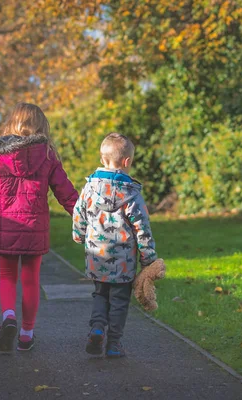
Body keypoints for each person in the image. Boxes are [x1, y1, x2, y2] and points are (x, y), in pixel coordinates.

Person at [0, 102, 78, 353]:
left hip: (5, 227)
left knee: (7, 277)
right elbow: (65, 192)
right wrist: (82, 217)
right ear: (41, 126)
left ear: (11, 124)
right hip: (34, 229)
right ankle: (26, 334)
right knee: (31, 280)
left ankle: (8, 316)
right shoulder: (47, 155)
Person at [72, 132, 158, 358]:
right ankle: (114, 344)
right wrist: (148, 257)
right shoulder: (131, 193)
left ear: (102, 159)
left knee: (100, 294)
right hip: (123, 261)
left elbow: (78, 213)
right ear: (127, 162)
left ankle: (97, 328)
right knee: (119, 300)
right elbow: (142, 227)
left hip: (96, 255)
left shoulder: (90, 188)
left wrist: (79, 234)